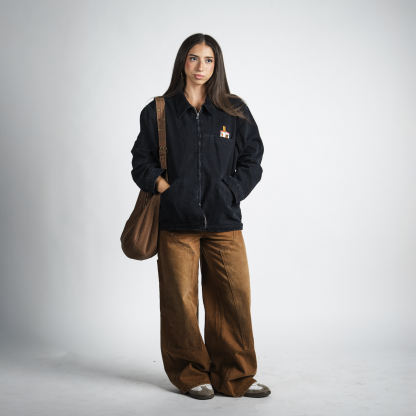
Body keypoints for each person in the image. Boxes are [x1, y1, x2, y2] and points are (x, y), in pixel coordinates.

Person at [131, 33, 270, 400]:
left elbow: (252, 159)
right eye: (194, 58)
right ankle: (191, 374)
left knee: (234, 300)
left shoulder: (234, 110)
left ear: (216, 65)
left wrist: (231, 190)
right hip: (176, 224)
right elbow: (141, 161)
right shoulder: (159, 110)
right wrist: (167, 190)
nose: (200, 66)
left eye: (208, 60)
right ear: (183, 61)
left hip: (224, 222)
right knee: (180, 302)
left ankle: (236, 375)